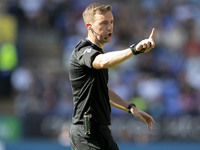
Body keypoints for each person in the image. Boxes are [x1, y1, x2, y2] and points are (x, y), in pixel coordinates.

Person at [69, 3, 155, 150]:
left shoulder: (98, 52)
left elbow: (102, 91)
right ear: (89, 27)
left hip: (101, 131)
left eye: (111, 22)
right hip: (86, 133)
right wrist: (134, 50)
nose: (109, 27)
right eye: (103, 23)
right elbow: (103, 62)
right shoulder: (83, 50)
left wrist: (131, 108)